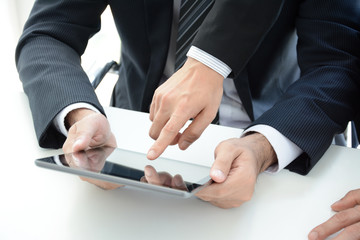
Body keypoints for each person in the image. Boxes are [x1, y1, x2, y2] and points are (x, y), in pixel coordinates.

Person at [15, 0, 360, 210]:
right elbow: (48, 33)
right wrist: (80, 112)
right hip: (136, 144)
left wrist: (263, 147)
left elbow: (338, 61)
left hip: (278, 142)